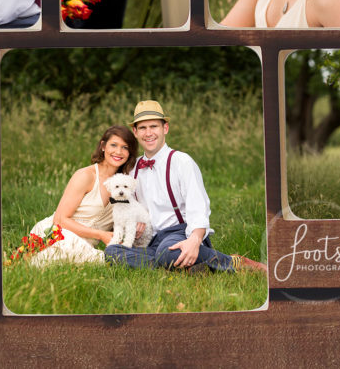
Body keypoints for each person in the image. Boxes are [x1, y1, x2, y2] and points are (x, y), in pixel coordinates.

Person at [104, 101, 266, 273]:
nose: (148, 133)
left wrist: (195, 240)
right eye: (142, 128)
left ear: (165, 128)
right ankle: (185, 268)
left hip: (181, 233)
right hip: (151, 239)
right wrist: (138, 224)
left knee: (167, 252)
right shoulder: (133, 168)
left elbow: (199, 207)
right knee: (112, 253)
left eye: (154, 126)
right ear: (135, 132)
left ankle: (233, 262)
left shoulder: (182, 161)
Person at [20, 126, 139, 266]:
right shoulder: (85, 176)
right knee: (109, 259)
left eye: (125, 147)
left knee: (118, 256)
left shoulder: (126, 184)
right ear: (103, 146)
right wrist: (101, 235)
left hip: (84, 245)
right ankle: (35, 259)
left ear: (130, 152)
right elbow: (60, 220)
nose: (118, 152)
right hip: (57, 234)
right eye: (113, 145)